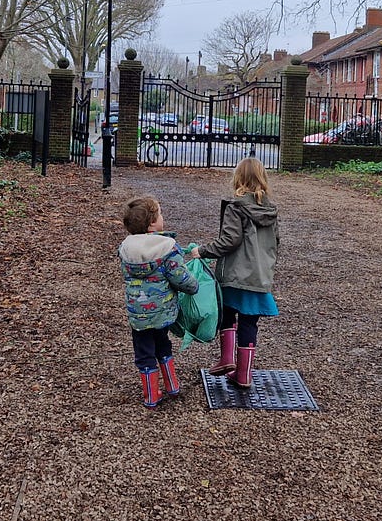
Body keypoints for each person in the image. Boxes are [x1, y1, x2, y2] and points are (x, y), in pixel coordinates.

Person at [197, 157, 279, 390]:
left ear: (238, 179)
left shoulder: (236, 207)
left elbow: (229, 240)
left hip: (235, 274)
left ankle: (226, 358)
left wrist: (202, 251)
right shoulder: (271, 210)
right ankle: (243, 374)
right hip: (258, 276)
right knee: (249, 322)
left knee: (227, 313)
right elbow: (276, 242)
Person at [119, 194, 200, 409]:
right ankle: (172, 385)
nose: (163, 217)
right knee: (163, 344)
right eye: (160, 214)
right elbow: (180, 277)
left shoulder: (126, 249)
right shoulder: (167, 248)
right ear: (152, 224)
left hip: (138, 314)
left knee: (144, 352)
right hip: (163, 311)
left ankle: (151, 395)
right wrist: (194, 287)